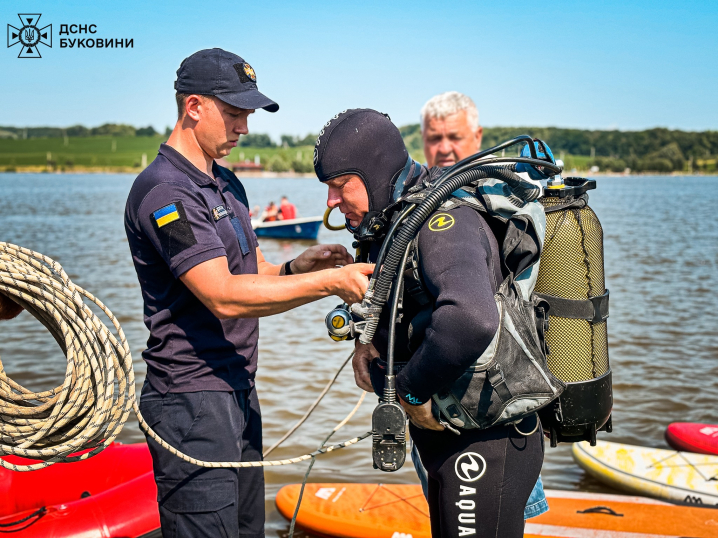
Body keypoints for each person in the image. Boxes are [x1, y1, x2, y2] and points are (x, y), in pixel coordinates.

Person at [124, 49, 373, 538]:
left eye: (248, 115)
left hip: (239, 390)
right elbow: (222, 295)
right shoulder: (164, 192)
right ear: (193, 106)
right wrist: (330, 283)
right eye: (234, 113)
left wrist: (296, 267)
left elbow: (250, 271)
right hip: (191, 401)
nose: (244, 127)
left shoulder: (227, 183)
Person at [315, 109, 544, 538]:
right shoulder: (397, 220)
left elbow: (470, 318)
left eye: (339, 185)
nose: (331, 200)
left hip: (484, 441)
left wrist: (410, 390)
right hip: (447, 434)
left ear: (374, 172)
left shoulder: (444, 223)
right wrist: (367, 343)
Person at [418, 91, 549, 520]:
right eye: (433, 137)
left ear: (478, 135)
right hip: (442, 404)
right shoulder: (429, 198)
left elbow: (476, 316)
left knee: (506, 517)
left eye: (454, 136)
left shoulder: (496, 201)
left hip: (499, 404)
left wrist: (409, 388)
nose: (444, 148)